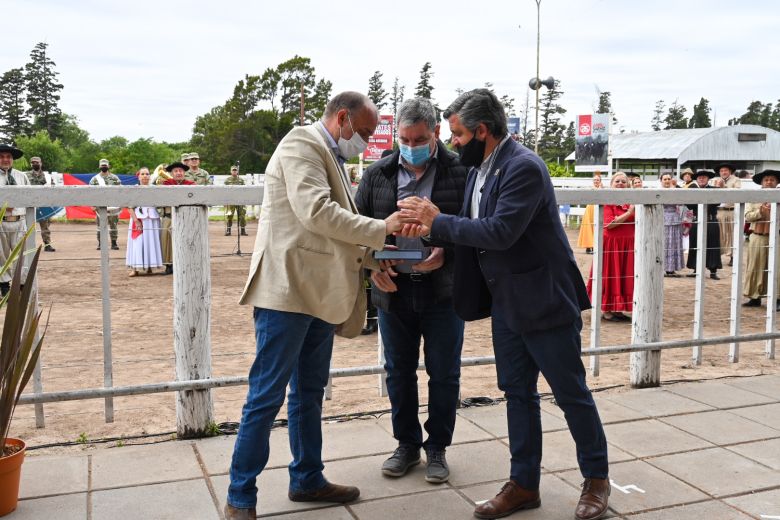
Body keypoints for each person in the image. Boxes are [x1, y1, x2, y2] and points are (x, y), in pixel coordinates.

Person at [397, 89, 609, 520]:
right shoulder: (480, 168)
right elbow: (474, 228)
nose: (452, 143)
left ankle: (596, 480)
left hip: (545, 300)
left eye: (457, 134)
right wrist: (435, 234)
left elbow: (499, 232)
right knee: (517, 394)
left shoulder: (524, 167)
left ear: (482, 131)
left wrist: (439, 221)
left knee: (571, 394)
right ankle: (524, 483)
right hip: (508, 304)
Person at [225, 91, 406, 520]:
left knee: (308, 393)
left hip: (317, 293)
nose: (364, 141)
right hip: (287, 293)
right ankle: (240, 497)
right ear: (342, 117)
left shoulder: (328, 153)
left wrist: (370, 259)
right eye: (362, 131)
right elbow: (317, 213)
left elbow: (325, 234)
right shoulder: (301, 143)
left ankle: (307, 477)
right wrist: (381, 230)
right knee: (265, 397)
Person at [355, 97, 467, 484]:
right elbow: (357, 231)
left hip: (443, 291)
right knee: (398, 372)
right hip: (393, 290)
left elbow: (474, 232)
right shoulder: (377, 174)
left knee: (445, 373)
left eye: (418, 138)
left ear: (435, 133)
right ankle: (406, 444)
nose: (410, 145)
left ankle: (438, 446)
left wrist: (445, 255)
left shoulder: (461, 171)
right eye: (404, 138)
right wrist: (373, 266)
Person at [586, 172, 635, 322]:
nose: (620, 184)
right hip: (611, 244)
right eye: (617, 181)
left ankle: (618, 309)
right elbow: (609, 224)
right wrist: (629, 213)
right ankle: (607, 309)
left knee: (623, 276)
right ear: (611, 184)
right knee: (609, 275)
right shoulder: (607, 200)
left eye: (624, 182)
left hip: (628, 245)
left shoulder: (631, 200)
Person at [742, 170, 780, 310]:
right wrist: (760, 212)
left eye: (772, 179)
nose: (769, 182)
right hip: (757, 235)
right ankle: (754, 296)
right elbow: (747, 216)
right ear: (762, 182)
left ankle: (777, 298)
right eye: (766, 180)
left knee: (777, 267)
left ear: (777, 182)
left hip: (777, 236)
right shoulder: (754, 197)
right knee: (755, 267)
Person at [0, 143, 31, 296]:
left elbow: (31, 197)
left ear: (12, 159)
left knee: (23, 254)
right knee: (1, 254)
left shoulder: (21, 176)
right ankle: (4, 286)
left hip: (19, 220)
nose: (5, 160)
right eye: (2, 157)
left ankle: (22, 284)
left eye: (8, 157)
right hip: (1, 221)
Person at [159, 162, 195, 275]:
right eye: (176, 171)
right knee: (166, 240)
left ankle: (186, 264)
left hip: (186, 217)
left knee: (187, 240)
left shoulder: (191, 184)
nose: (178, 173)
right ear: (171, 173)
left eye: (180, 171)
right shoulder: (165, 184)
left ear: (184, 172)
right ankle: (169, 265)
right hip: (169, 216)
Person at [125, 167, 163, 276]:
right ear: (139, 176)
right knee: (138, 242)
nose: (145, 176)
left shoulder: (154, 188)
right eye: (142, 174)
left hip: (152, 219)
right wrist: (136, 221)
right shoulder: (134, 189)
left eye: (147, 174)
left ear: (150, 176)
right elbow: (129, 206)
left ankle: (150, 266)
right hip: (139, 219)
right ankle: (135, 268)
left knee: (151, 242)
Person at [685, 170, 722, 279]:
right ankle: (696, 269)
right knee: (695, 244)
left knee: (713, 245)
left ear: (707, 179)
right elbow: (689, 205)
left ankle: (713, 270)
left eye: (704, 177)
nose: (701, 179)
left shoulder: (714, 190)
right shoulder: (692, 190)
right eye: (699, 177)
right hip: (696, 220)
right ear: (696, 179)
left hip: (710, 221)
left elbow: (717, 202)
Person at [89, 158, 122, 250]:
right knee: (100, 226)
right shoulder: (95, 179)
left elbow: (120, 191)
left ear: (108, 166)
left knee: (113, 225)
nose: (104, 167)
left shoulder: (115, 178)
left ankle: (114, 243)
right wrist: (92, 205)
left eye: (105, 165)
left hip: (113, 206)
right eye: (102, 165)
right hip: (100, 206)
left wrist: (119, 203)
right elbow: (90, 193)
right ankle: (100, 243)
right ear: (99, 166)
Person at [25, 156, 56, 252]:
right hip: (30, 204)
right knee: (27, 226)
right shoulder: (26, 175)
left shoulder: (47, 176)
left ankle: (47, 245)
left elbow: (53, 188)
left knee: (45, 227)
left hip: (43, 204)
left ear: (41, 163)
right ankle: (27, 246)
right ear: (31, 164)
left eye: (37, 162)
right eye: (33, 162)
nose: (35, 164)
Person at [715, 163, 741, 267]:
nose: (723, 172)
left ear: (730, 171)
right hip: (719, 211)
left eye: (725, 170)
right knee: (719, 234)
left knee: (732, 234)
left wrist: (723, 187)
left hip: (731, 210)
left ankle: (733, 257)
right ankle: (718, 257)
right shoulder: (715, 180)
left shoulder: (736, 180)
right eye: (721, 171)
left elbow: (737, 194)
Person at [660, 172, 685, 276]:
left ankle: (671, 268)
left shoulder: (676, 190)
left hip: (675, 218)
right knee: (664, 243)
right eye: (664, 179)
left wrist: (674, 188)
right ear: (661, 181)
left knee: (674, 243)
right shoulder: (658, 191)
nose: (667, 181)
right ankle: (662, 267)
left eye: (668, 179)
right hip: (662, 218)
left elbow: (681, 202)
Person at [577, 173, 601, 254]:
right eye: (595, 180)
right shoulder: (590, 188)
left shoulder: (602, 189)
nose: (596, 181)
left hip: (597, 208)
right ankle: (588, 246)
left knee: (596, 226)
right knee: (588, 227)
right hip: (590, 208)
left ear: (600, 181)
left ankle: (595, 246)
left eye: (597, 180)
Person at [224, 165, 247, 236]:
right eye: (233, 170)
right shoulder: (227, 180)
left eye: (235, 170)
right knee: (229, 215)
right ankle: (228, 230)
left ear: (237, 171)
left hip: (240, 200)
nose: (234, 171)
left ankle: (243, 230)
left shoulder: (241, 180)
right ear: (231, 171)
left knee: (242, 215)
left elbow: (244, 190)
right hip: (230, 200)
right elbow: (224, 191)